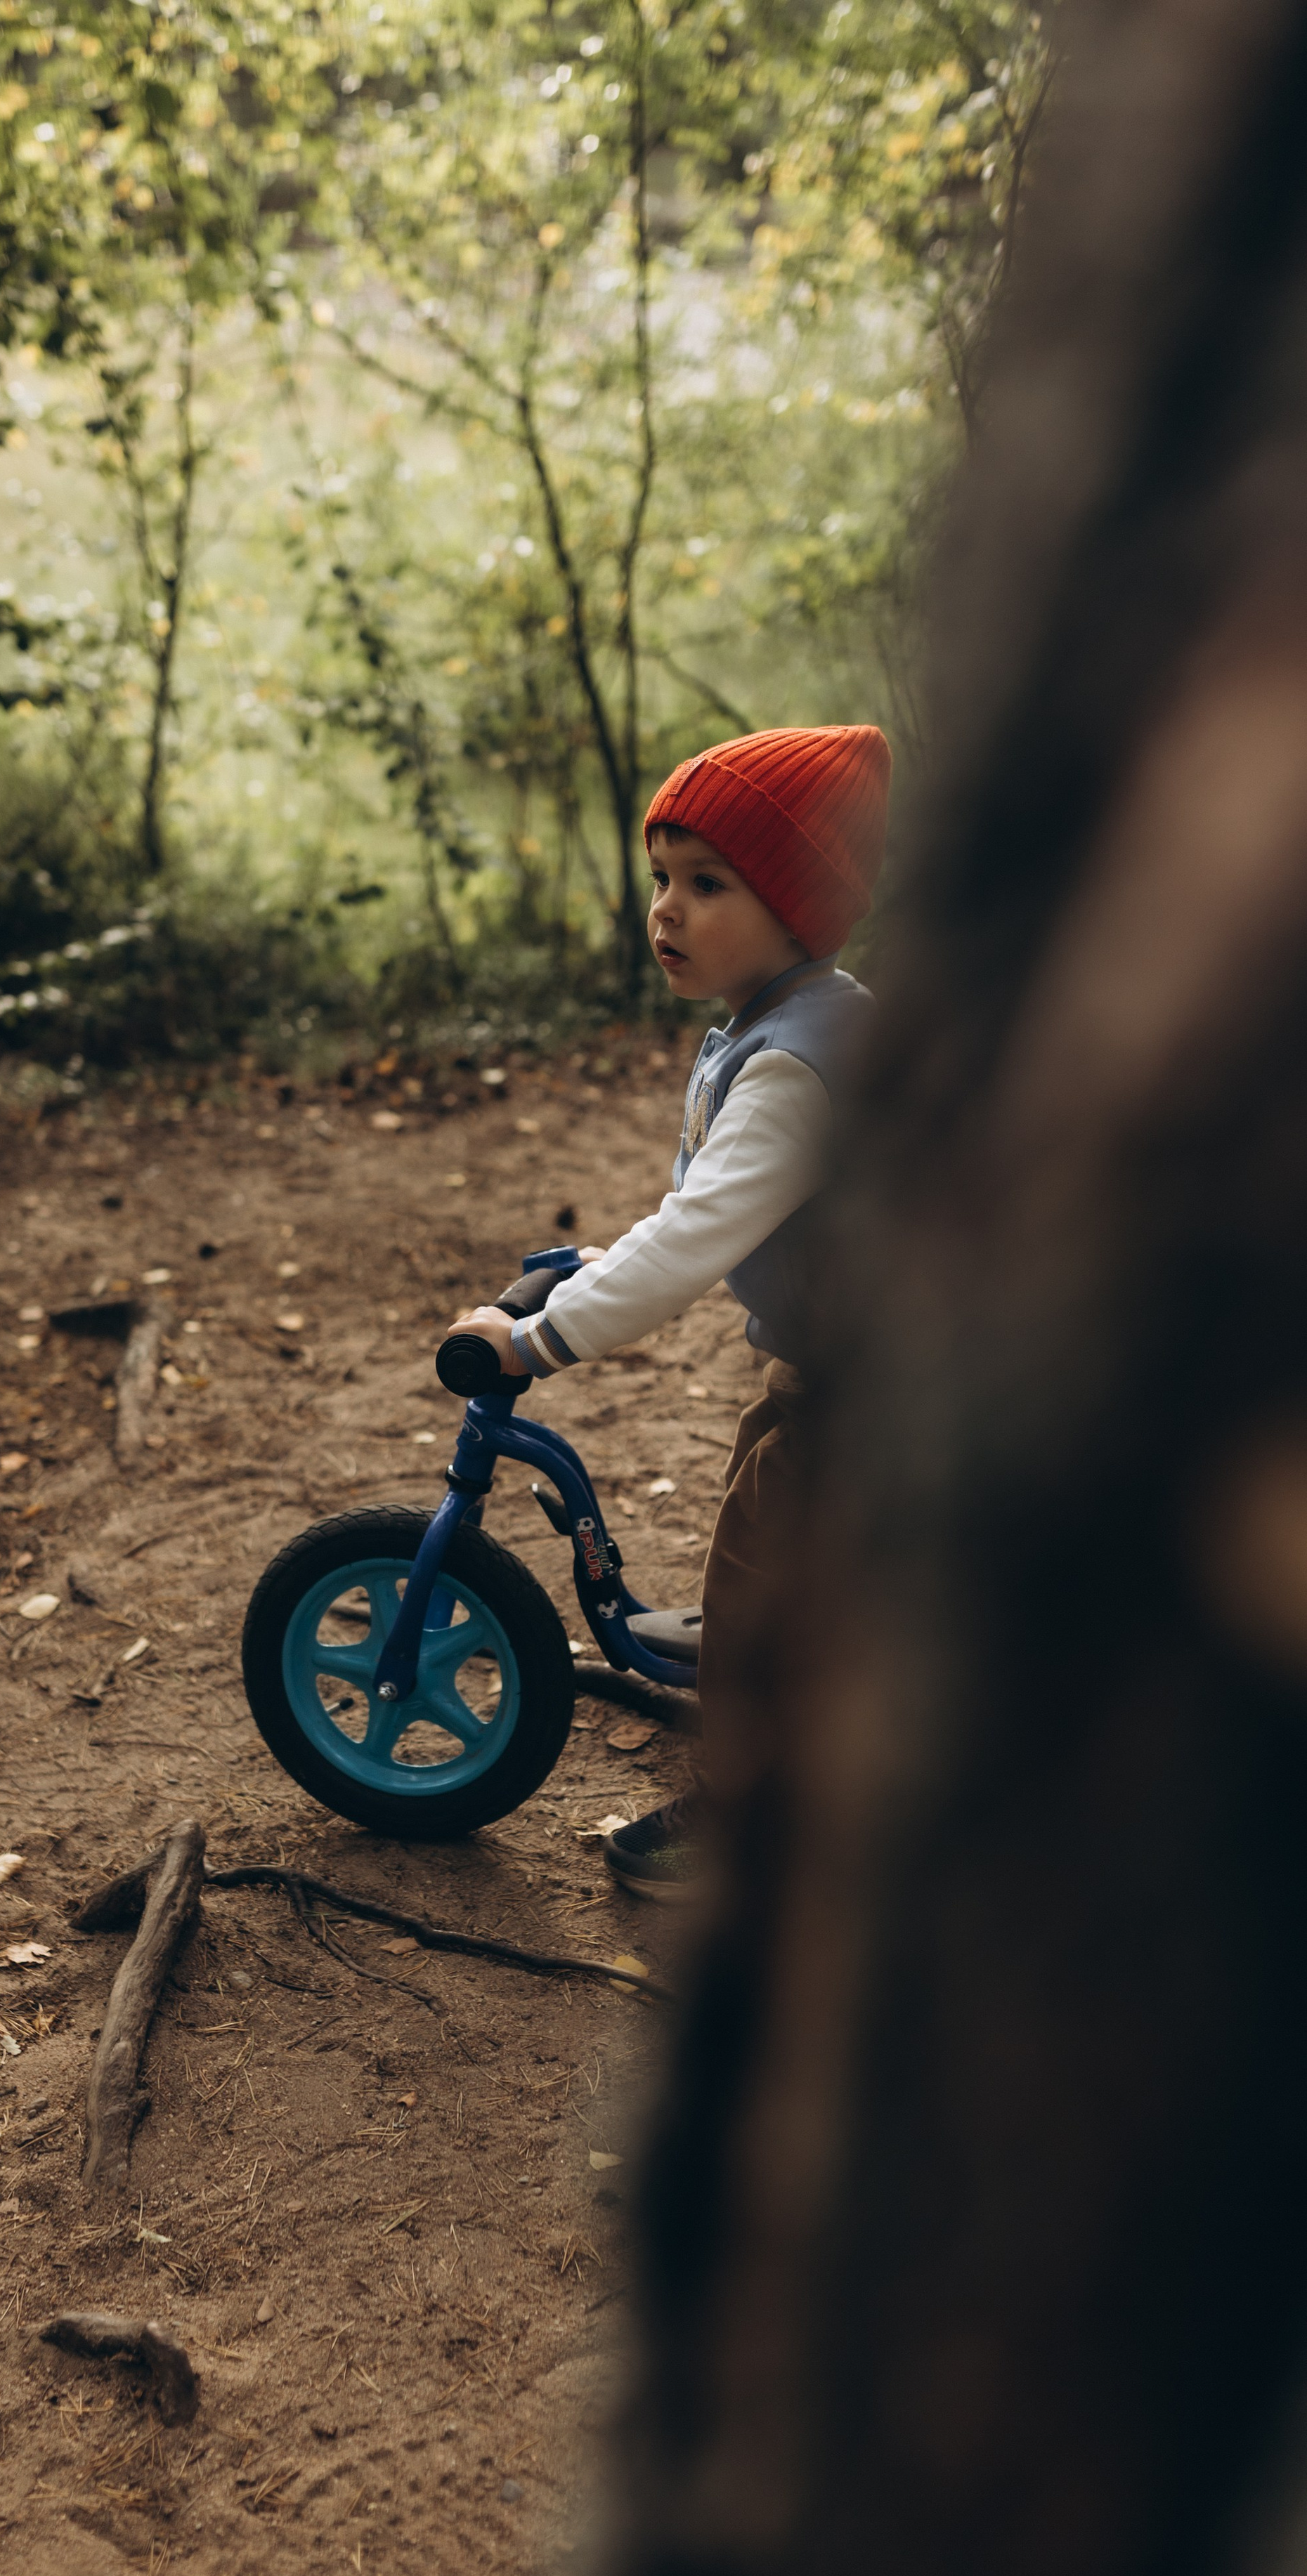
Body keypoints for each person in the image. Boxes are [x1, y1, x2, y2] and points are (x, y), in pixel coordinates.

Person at [444, 724, 891, 1897]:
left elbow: (696, 1238)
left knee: (763, 1592)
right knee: (783, 1546)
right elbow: (718, 1206)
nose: (668, 911)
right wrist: (598, 1266)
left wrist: (540, 1335)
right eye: (660, 881)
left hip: (872, 1392)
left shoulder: (798, 1059)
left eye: (708, 884)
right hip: (842, 1368)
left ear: (798, 904)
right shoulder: (777, 1020)